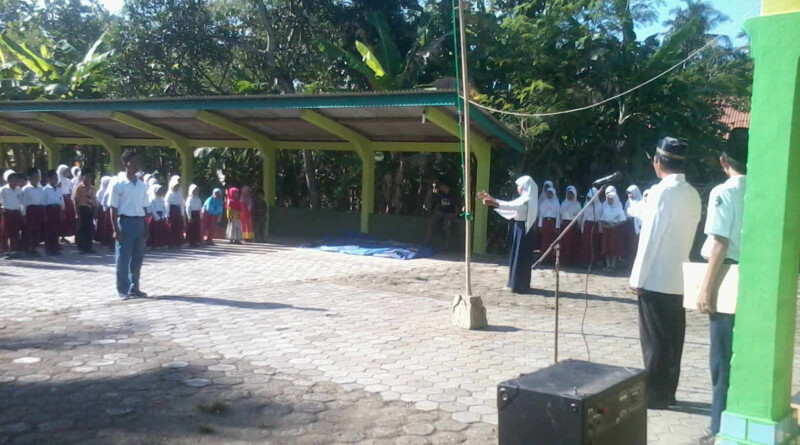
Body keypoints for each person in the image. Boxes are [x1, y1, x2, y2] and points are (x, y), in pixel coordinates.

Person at [630, 137, 701, 409]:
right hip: (679, 276)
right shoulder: (692, 193)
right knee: (672, 340)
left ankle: (655, 395)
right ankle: (668, 392)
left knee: (654, 341)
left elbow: (650, 239)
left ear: (658, 162)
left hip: (656, 277)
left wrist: (637, 278)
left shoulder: (662, 192)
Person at [695, 130, 748, 444]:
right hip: (754, 276)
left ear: (723, 161)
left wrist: (706, 287)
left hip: (726, 275)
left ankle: (718, 427)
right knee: (744, 354)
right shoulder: (762, 191)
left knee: (721, 357)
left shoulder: (723, 192)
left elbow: (719, 242)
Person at [478, 176, 538, 294]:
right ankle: (515, 282)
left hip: (523, 230)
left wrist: (494, 204)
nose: (518, 188)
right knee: (516, 255)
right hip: (519, 228)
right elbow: (510, 203)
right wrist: (492, 199)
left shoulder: (527, 200)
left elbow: (512, 206)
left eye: (519, 186)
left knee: (521, 257)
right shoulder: (524, 198)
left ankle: (519, 285)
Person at [109, 150, 151, 299]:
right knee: (123, 258)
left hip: (139, 222)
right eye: (133, 162)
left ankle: (135, 287)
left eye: (137, 163)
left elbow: (144, 208)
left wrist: (146, 227)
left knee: (138, 258)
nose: (136, 165)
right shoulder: (118, 185)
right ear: (125, 164)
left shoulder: (142, 185)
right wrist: (115, 229)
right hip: (125, 222)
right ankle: (122, 289)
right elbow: (113, 208)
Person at [424, 179, 459, 249]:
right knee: (433, 222)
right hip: (441, 213)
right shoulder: (441, 195)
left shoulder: (453, 195)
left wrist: (455, 215)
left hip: (449, 213)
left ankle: (447, 244)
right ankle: (428, 241)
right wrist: (435, 212)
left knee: (447, 224)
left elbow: (456, 206)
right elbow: (438, 205)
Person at [600, 187, 627, 271]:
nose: (609, 200)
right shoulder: (606, 208)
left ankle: (613, 265)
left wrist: (613, 226)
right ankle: (608, 265)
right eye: (608, 199)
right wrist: (605, 226)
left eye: (611, 199)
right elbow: (602, 219)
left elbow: (622, 221)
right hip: (606, 230)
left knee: (614, 248)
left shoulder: (619, 209)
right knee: (607, 247)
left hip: (615, 231)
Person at [0, 171, 24, 259]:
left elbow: (21, 202)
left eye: (17, 180)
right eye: (13, 180)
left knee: (15, 232)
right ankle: (5, 252)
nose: (16, 182)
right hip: (7, 213)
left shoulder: (19, 190)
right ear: (8, 180)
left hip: (16, 213)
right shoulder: (3, 190)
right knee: (5, 233)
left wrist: (21, 213)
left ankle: (14, 251)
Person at [22, 168, 45, 257]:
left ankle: (34, 248)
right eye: (35, 176)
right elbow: (23, 203)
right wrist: (23, 215)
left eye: (38, 176)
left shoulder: (40, 188)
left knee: (37, 230)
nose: (37, 178)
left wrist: (44, 212)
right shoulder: (26, 189)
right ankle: (26, 249)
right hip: (30, 210)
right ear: (29, 177)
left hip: (39, 209)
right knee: (28, 231)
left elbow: (42, 201)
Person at [73, 168, 97, 254]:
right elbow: (76, 201)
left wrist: (95, 211)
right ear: (83, 177)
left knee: (89, 228)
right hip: (82, 209)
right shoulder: (79, 188)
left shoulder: (93, 188)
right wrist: (77, 213)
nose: (88, 178)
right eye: (86, 176)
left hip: (90, 209)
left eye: (90, 176)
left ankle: (89, 247)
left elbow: (94, 200)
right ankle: (81, 247)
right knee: (82, 229)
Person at [559, 186, 582, 266]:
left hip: (573, 226)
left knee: (572, 243)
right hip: (564, 224)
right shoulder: (563, 203)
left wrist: (579, 225)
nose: (570, 196)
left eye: (571, 194)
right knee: (564, 243)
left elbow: (579, 216)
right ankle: (564, 260)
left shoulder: (577, 205)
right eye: (568, 194)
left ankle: (572, 261)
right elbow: (560, 214)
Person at [42, 170, 64, 255]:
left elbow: (61, 202)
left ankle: (55, 247)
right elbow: (43, 203)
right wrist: (45, 215)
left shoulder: (59, 190)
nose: (56, 180)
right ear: (49, 179)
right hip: (49, 210)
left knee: (56, 230)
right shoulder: (45, 189)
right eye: (54, 178)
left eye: (56, 178)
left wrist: (62, 213)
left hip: (57, 210)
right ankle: (49, 248)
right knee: (49, 230)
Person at [537, 186, 561, 263]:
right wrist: (540, 225)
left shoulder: (556, 203)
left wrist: (557, 226)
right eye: (548, 193)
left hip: (552, 223)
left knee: (552, 241)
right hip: (545, 222)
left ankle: (551, 259)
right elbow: (541, 215)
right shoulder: (543, 203)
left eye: (550, 193)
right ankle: (544, 258)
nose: (549, 195)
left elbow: (558, 215)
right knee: (544, 241)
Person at [56, 165, 77, 243]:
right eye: (66, 171)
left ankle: (64, 235)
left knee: (68, 217)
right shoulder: (58, 180)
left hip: (68, 199)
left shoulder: (68, 181)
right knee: (62, 217)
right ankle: (59, 235)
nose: (68, 172)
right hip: (61, 199)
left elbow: (71, 190)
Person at [624, 185, 644, 265]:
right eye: (628, 193)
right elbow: (625, 214)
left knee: (636, 245)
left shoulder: (641, 202)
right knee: (629, 245)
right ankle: (629, 264)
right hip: (628, 226)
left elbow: (641, 215)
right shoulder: (627, 202)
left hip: (637, 227)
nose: (629, 195)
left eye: (631, 193)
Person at [165, 175, 185, 248]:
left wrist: (182, 213)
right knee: (172, 227)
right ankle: (171, 242)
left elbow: (181, 202)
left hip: (178, 210)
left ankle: (178, 241)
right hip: (172, 211)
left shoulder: (180, 191)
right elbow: (167, 204)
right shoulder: (169, 194)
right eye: (175, 186)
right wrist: (167, 215)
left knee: (178, 227)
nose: (176, 187)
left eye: (177, 186)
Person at [147, 185, 168, 249]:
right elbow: (152, 210)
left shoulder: (162, 200)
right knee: (154, 231)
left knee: (162, 231)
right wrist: (157, 217)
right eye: (158, 191)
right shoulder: (152, 200)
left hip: (161, 216)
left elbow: (164, 208)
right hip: (155, 217)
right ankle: (154, 244)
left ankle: (161, 244)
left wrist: (163, 216)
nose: (160, 192)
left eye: (161, 191)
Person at [95, 176, 113, 247]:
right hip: (102, 209)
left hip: (107, 209)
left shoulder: (110, 190)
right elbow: (99, 201)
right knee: (102, 225)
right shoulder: (100, 191)